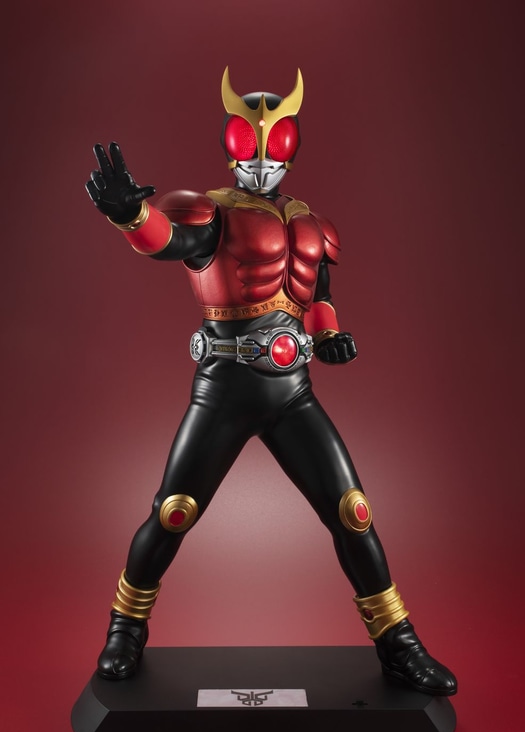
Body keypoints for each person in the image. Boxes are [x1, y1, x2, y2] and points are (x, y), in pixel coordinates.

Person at [85, 67, 457, 696]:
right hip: (225, 389)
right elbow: (171, 239)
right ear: (230, 141)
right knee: (173, 513)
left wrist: (329, 332)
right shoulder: (212, 211)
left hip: (292, 392)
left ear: (291, 143)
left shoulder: (311, 222)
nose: (260, 154)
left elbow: (318, 292)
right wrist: (131, 216)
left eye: (274, 141)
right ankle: (126, 628)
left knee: (353, 513)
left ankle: (399, 644)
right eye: (247, 139)